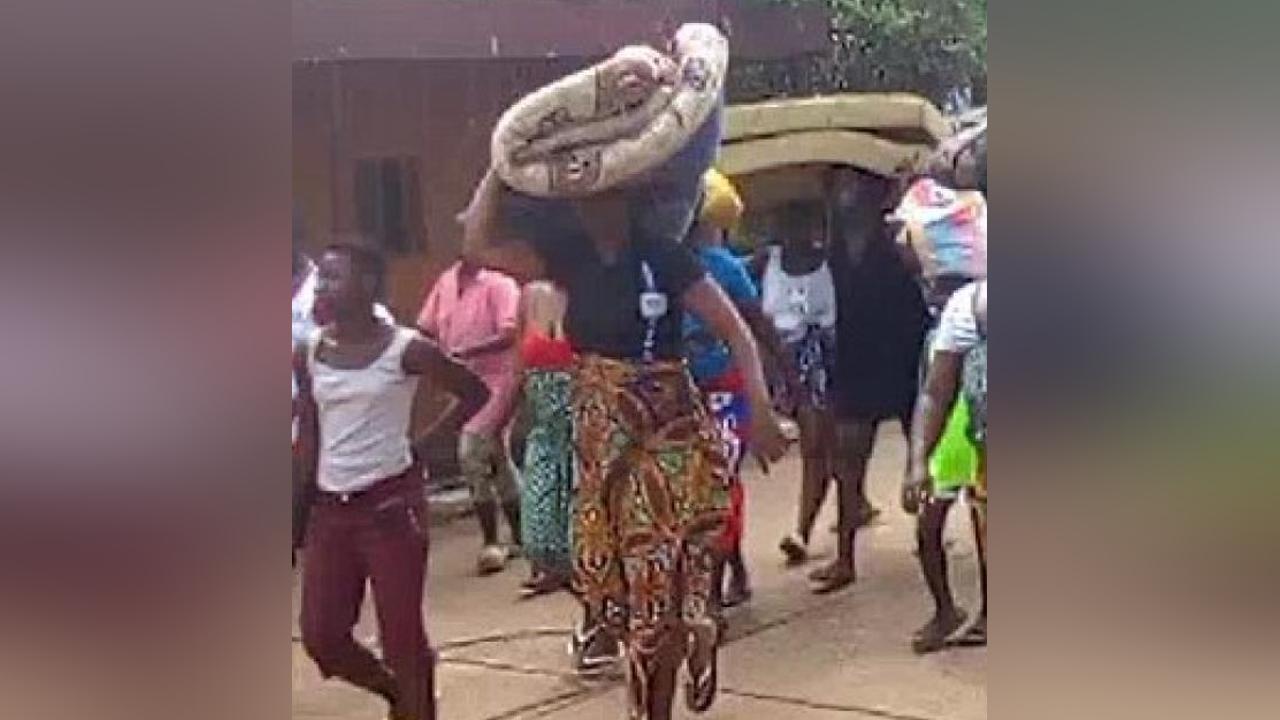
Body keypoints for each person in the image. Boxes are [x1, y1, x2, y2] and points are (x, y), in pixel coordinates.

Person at [458, 163, 787, 719]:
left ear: (630, 200)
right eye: (585, 199)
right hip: (602, 439)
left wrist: (761, 409)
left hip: (669, 432)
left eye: (607, 197)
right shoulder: (567, 258)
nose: (595, 209)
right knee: (616, 583)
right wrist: (498, 166)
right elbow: (480, 243)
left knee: (655, 589)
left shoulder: (665, 256)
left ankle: (661, 686)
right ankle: (691, 633)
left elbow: (735, 329)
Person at [294, 242, 490, 720]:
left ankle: (416, 703)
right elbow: (311, 433)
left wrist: (423, 446)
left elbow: (474, 391)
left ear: (367, 286)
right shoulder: (311, 350)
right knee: (322, 636)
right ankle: (396, 695)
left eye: (334, 279)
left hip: (389, 509)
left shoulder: (406, 349)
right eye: (321, 279)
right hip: (331, 511)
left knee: (403, 638)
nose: (322, 288)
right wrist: (296, 511)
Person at [683, 170, 797, 610]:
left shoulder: (724, 268)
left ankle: (711, 594)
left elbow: (757, 325)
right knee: (699, 490)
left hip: (725, 388)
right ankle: (734, 570)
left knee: (716, 483)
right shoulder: (658, 268)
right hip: (681, 395)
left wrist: (785, 382)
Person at [816, 167, 930, 595]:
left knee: (922, 453)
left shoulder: (900, 235)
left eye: (852, 183)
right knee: (847, 463)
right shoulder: (834, 244)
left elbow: (924, 278)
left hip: (905, 355)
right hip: (857, 359)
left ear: (872, 189)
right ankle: (844, 558)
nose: (845, 193)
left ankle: (927, 537)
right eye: (839, 184)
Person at [417, 257, 523, 575]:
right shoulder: (446, 283)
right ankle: (520, 535)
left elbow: (510, 333)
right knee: (497, 456)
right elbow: (427, 326)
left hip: (498, 380)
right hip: (465, 382)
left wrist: (466, 352)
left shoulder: (499, 284)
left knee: (472, 450)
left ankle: (491, 539)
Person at [750, 201, 838, 569]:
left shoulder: (834, 263)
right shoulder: (762, 263)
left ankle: (802, 531)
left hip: (822, 362)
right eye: (785, 220)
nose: (792, 230)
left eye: (801, 219)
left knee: (816, 445)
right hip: (777, 362)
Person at [906, 278, 987, 651]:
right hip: (967, 429)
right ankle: (947, 611)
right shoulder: (967, 307)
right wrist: (918, 462)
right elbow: (936, 393)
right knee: (930, 520)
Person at [511, 280, 576, 598]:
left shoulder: (576, 292)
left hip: (575, 421)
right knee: (541, 498)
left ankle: (572, 566)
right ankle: (547, 566)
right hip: (548, 425)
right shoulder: (534, 295)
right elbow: (518, 369)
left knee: (572, 497)